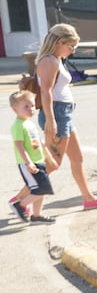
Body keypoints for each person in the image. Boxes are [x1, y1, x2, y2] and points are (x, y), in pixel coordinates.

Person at [33, 24, 97, 209]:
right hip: (57, 115)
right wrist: (51, 120)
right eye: (71, 46)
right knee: (52, 164)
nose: (73, 51)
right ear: (60, 42)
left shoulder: (56, 59)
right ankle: (22, 200)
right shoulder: (49, 61)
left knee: (77, 159)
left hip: (64, 114)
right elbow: (46, 91)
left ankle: (88, 198)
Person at [10, 89, 56, 225]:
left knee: (41, 190)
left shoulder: (29, 123)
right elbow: (19, 146)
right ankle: (20, 205)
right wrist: (28, 163)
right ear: (15, 110)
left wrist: (49, 158)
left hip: (39, 161)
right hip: (28, 164)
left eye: (32, 105)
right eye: (26, 107)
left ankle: (36, 215)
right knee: (41, 190)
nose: (31, 109)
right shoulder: (18, 125)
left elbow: (39, 143)